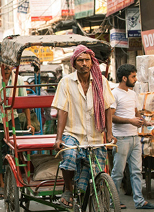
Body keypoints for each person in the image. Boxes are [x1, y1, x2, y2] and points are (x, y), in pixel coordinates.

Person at [52, 45, 116, 208]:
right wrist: (59, 138)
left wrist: (109, 134)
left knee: (99, 171)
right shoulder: (66, 82)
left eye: (87, 60)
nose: (84, 63)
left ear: (92, 62)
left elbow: (108, 107)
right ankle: (68, 189)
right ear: (74, 63)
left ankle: (95, 195)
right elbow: (62, 110)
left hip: (95, 135)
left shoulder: (101, 82)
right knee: (69, 155)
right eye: (80, 60)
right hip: (72, 133)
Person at [0, 64, 35, 200]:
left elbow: (24, 103)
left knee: (20, 150)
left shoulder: (18, 79)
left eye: (9, 65)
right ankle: (1, 184)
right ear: (0, 64)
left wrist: (29, 123)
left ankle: (22, 177)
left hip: (13, 119)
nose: (7, 67)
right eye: (4, 64)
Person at [110, 64, 154, 209]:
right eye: (133, 76)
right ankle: (114, 201)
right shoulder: (114, 94)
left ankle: (140, 201)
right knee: (118, 172)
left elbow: (135, 114)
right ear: (124, 78)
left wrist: (143, 121)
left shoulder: (133, 94)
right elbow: (111, 117)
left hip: (135, 137)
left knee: (136, 171)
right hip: (121, 138)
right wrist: (130, 121)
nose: (135, 79)